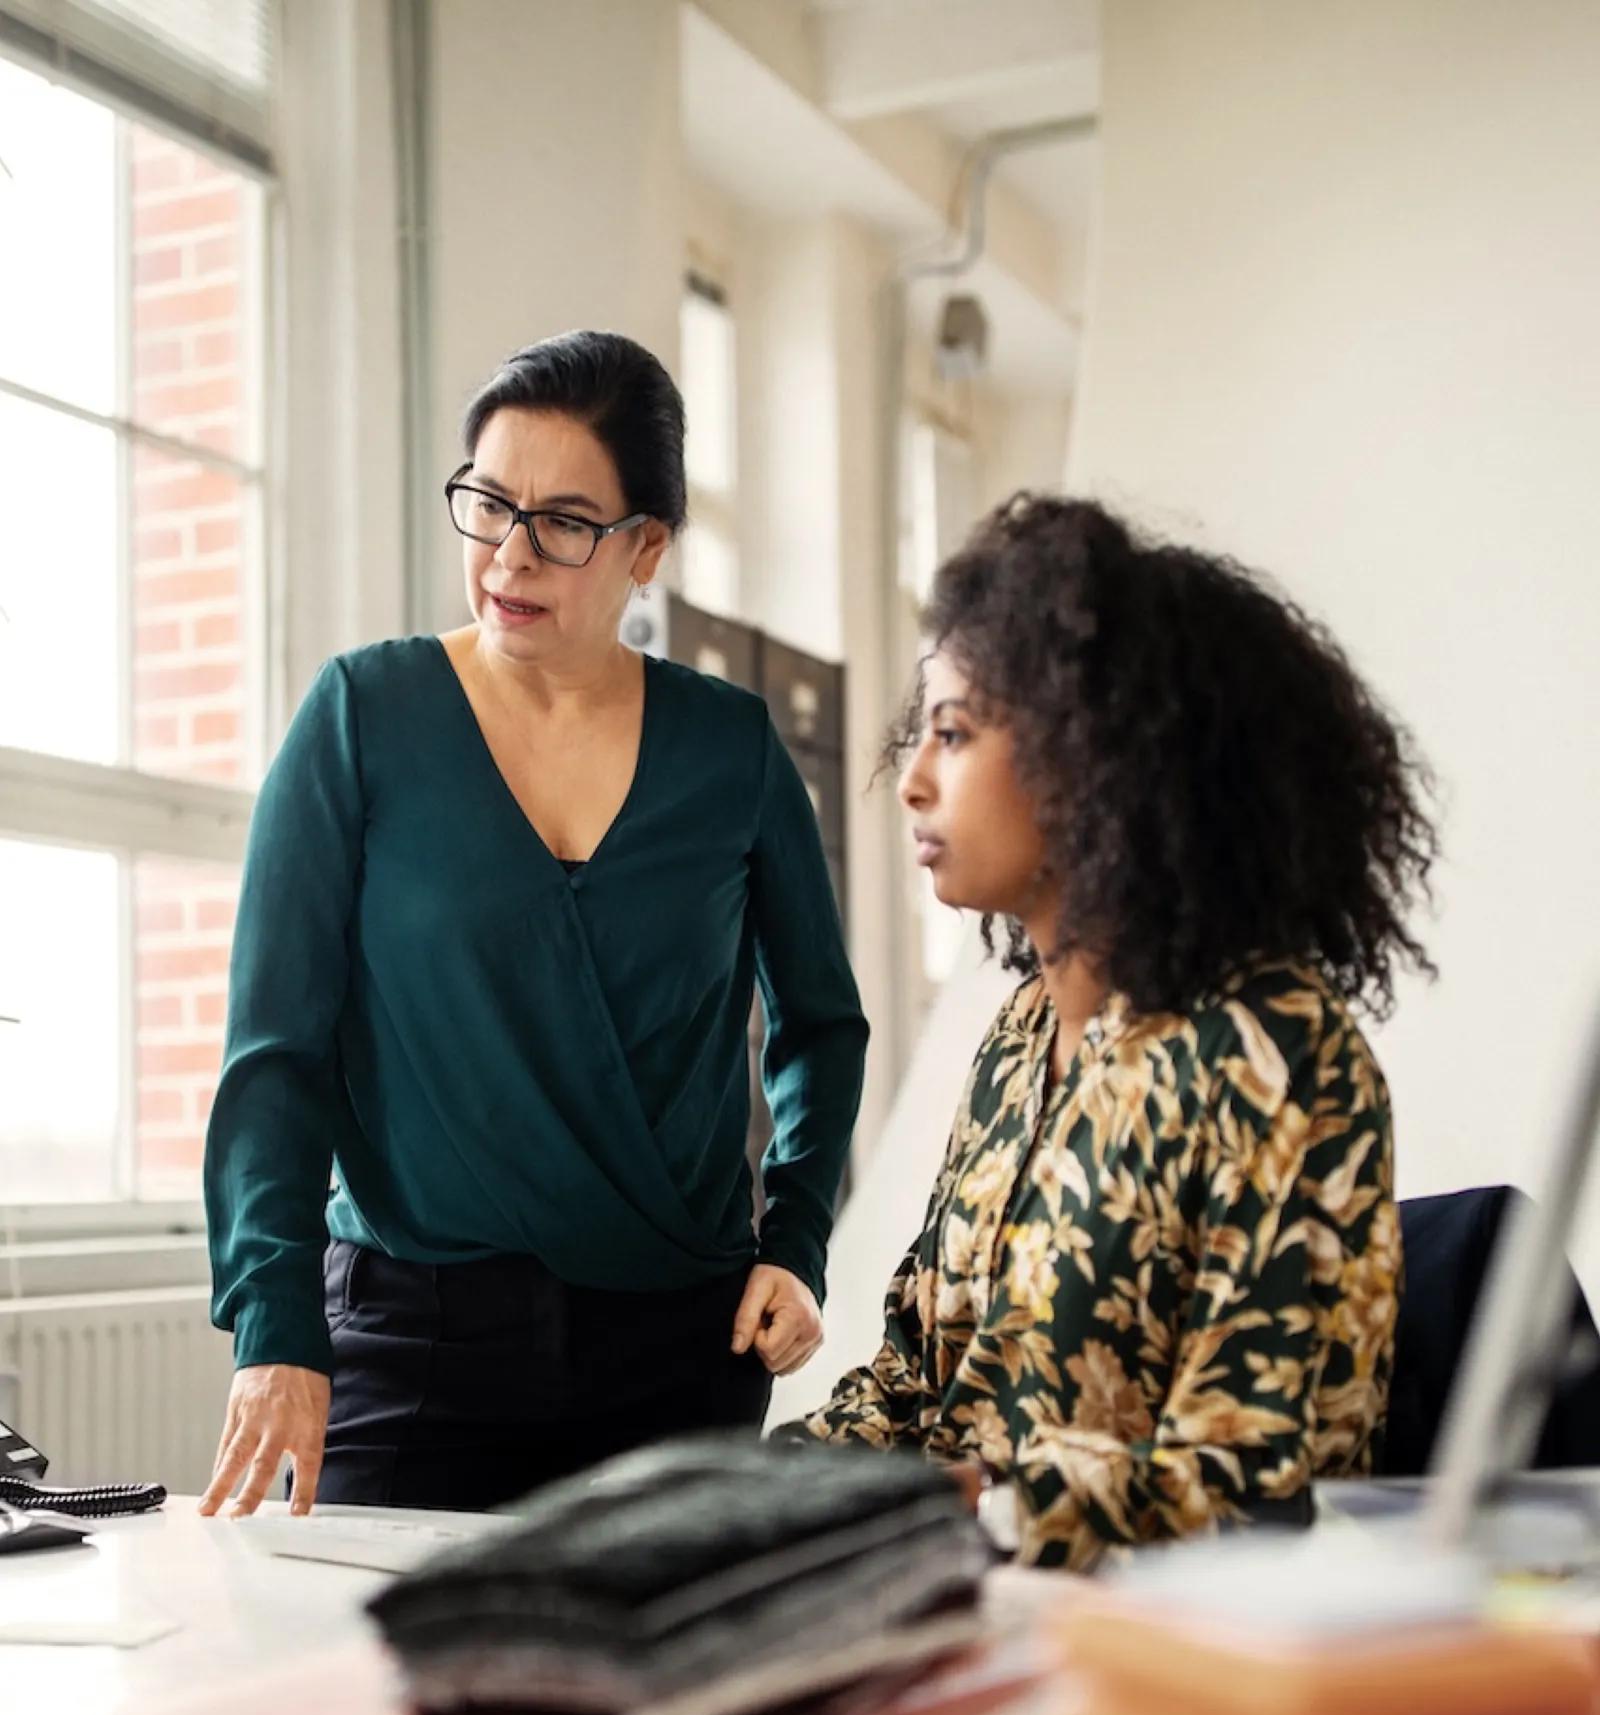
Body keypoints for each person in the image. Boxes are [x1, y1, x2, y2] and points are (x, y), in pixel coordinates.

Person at [200, 331, 867, 1518]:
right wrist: (274, 1319)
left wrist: (797, 1238)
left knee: (672, 1702)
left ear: (645, 546)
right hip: (414, 1338)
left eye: (562, 520)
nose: (510, 555)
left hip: (681, 1348)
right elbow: (275, 1055)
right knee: (364, 1690)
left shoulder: (733, 749)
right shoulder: (362, 717)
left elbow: (818, 1020)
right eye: (488, 504)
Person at [785, 494, 1436, 1570]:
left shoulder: (1272, 1052)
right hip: (946, 1612)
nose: (911, 778)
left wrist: (975, 1504)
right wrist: (727, 1494)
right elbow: (912, 1378)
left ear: (1093, 757)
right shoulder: (1019, 1035)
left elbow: (1259, 1483)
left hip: (1146, 1660)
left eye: (953, 733)